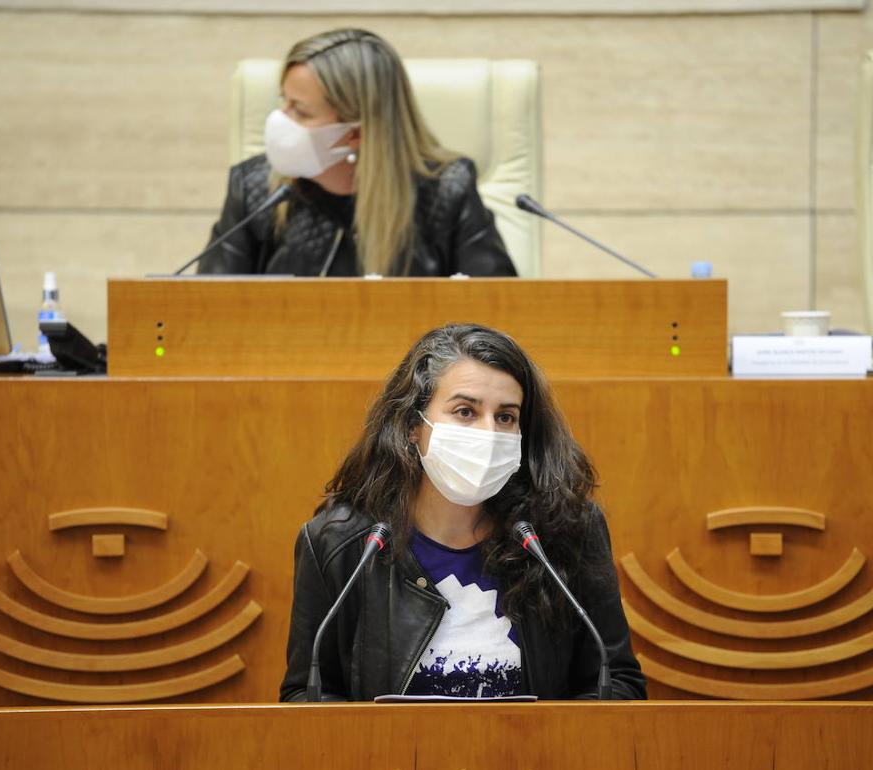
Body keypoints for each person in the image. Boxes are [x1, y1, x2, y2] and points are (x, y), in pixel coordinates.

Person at [280, 324, 646, 701]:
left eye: (505, 417)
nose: (488, 433)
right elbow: (306, 698)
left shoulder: (566, 532)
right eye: (465, 411)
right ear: (412, 426)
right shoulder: (342, 545)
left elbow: (617, 684)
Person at [199, 29, 517, 278]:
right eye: (284, 101)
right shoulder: (254, 189)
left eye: (301, 111)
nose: (280, 119)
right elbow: (205, 312)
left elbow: (501, 315)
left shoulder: (447, 189)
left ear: (355, 132)